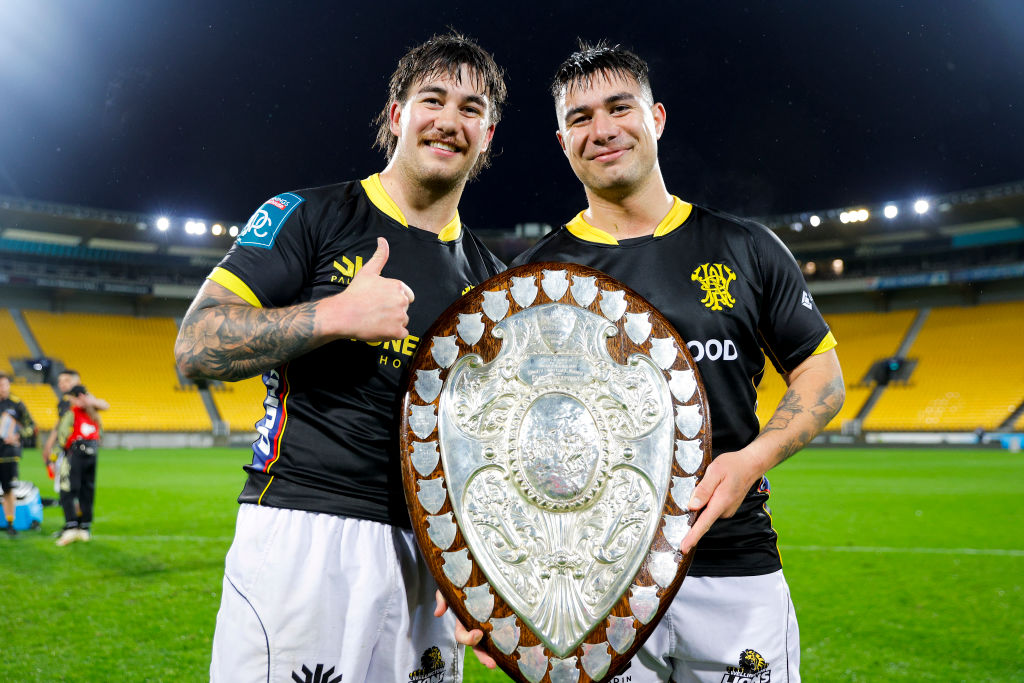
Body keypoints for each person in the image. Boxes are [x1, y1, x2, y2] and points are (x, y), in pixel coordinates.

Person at [458, 43, 844, 682]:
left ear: (656, 118)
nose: (602, 130)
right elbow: (497, 443)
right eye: (580, 118)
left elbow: (821, 375)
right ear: (561, 140)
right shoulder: (533, 282)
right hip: (593, 590)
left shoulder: (743, 246)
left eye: (619, 108)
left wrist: (753, 459)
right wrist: (497, 584)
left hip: (732, 567)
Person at [173, 32, 507, 683]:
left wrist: (488, 574)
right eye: (431, 99)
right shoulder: (311, 216)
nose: (448, 120)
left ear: (488, 134)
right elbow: (196, 348)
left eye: (471, 108)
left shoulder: (491, 283)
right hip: (304, 533)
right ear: (396, 116)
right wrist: (335, 315)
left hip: (429, 558)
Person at [54, 384, 106, 546]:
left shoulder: (73, 413)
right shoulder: (94, 415)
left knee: (69, 489)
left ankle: (71, 526)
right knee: (87, 490)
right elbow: (100, 434)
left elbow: (63, 433)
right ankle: (85, 527)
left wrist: (61, 450)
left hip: (75, 454)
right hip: (92, 454)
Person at [0, 372, 36, 537]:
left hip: (9, 454)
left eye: (4, 384)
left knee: (9, 490)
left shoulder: (16, 404)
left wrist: (17, 436)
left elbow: (31, 426)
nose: (2, 388)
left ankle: (10, 523)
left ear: (8, 385)